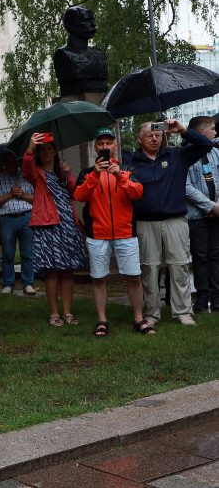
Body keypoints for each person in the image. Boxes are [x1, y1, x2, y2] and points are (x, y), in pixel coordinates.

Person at [129, 119, 212, 326]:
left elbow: (206, 145)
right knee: (150, 268)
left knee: (180, 265)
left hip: (175, 219)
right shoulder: (131, 161)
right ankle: (152, 312)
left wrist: (183, 130)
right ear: (140, 140)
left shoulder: (177, 155)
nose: (155, 138)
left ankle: (182, 311)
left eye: (158, 134)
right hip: (146, 222)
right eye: (149, 135)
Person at [73, 128, 150, 336]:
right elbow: (79, 196)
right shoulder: (87, 172)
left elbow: (138, 193)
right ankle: (102, 320)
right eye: (101, 144)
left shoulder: (127, 169)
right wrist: (95, 175)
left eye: (109, 143)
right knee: (98, 278)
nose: (105, 147)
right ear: (95, 147)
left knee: (134, 277)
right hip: (98, 233)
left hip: (125, 232)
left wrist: (120, 177)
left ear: (115, 146)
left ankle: (138, 318)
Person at [24, 132, 86, 326]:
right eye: (43, 150)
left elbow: (75, 193)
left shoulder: (63, 171)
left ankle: (67, 312)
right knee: (52, 271)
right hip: (47, 225)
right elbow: (26, 167)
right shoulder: (36, 173)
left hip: (68, 224)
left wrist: (68, 175)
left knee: (67, 271)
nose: (47, 152)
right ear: (39, 153)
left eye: (50, 149)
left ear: (55, 152)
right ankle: (54, 313)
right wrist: (30, 147)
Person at [0, 149, 36, 295]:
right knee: (7, 254)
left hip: (26, 217)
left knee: (27, 253)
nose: (10, 163)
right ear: (3, 163)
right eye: (6, 161)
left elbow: (37, 199)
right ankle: (8, 283)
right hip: (6, 220)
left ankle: (28, 283)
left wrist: (22, 195)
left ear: (17, 161)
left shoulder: (27, 176)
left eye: (12, 160)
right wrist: (9, 195)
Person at [184, 115, 219, 313]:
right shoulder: (186, 154)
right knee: (200, 256)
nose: (215, 132)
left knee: (215, 255)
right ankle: (202, 296)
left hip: (217, 214)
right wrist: (209, 206)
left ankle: (216, 297)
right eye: (212, 129)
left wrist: (218, 205)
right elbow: (186, 187)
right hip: (197, 215)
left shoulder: (215, 153)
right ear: (201, 132)